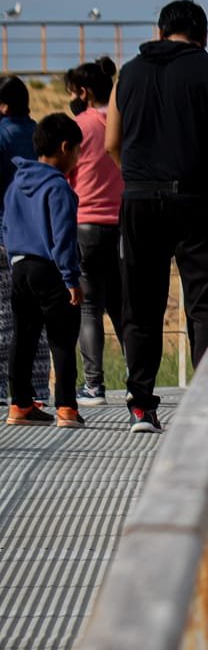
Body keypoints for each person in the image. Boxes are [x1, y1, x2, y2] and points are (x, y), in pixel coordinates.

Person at [107, 0, 208, 434]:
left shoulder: (126, 74)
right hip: (195, 201)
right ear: (203, 35)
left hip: (139, 201)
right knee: (205, 303)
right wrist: (203, 152)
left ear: (159, 31)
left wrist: (141, 175)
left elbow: (113, 141)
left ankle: (141, 406)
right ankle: (204, 405)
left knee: (142, 302)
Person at [4, 114, 84, 428]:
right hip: (50, 269)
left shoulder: (15, 184)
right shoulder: (58, 188)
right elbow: (63, 236)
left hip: (20, 267)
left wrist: (14, 258)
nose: (78, 157)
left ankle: (20, 405)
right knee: (62, 338)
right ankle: (66, 407)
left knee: (23, 338)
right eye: (78, 151)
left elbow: (7, 226)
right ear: (65, 148)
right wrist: (71, 278)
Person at [64, 57, 125, 406]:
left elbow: (68, 175)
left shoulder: (79, 127)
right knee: (121, 308)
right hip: (121, 225)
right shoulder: (123, 122)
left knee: (89, 309)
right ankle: (137, 383)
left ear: (83, 92)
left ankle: (94, 385)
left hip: (85, 223)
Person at [0, 76, 53, 403]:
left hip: (5, 230)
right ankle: (37, 389)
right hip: (39, 232)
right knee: (37, 316)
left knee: (5, 316)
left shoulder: (2, 136)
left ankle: (6, 390)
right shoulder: (37, 133)